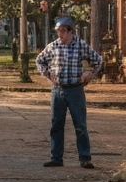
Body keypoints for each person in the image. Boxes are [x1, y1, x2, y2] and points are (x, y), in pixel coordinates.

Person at [35, 16, 103, 168]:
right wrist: (47, 74)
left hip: (75, 90)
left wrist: (90, 73)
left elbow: (98, 60)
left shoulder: (80, 45)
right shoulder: (53, 46)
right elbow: (39, 60)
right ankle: (56, 157)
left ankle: (85, 158)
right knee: (56, 124)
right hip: (58, 89)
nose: (60, 35)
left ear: (70, 31)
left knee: (80, 125)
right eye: (58, 31)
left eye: (63, 31)